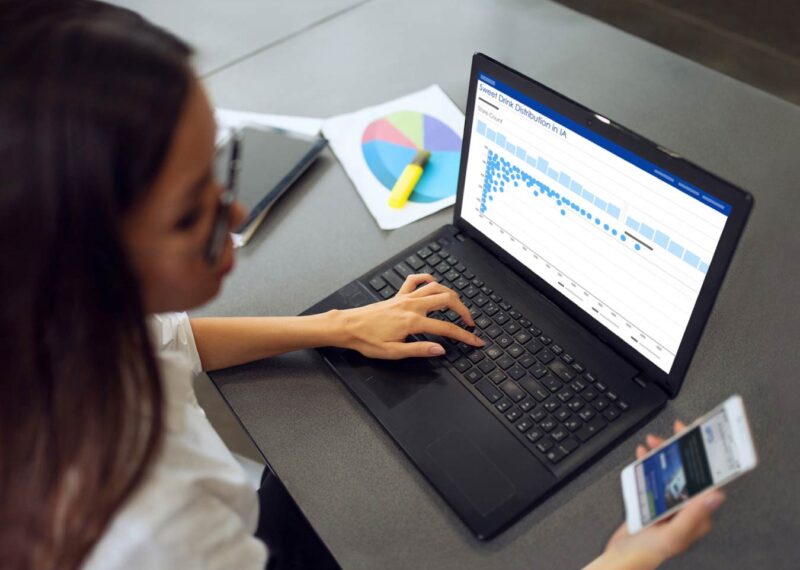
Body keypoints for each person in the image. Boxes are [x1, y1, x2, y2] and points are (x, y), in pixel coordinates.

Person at [0, 2, 724, 569]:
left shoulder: (49, 321)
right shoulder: (153, 530)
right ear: (77, 262)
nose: (239, 215)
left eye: (222, 171)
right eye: (194, 212)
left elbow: (163, 340)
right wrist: (626, 559)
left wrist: (340, 326)